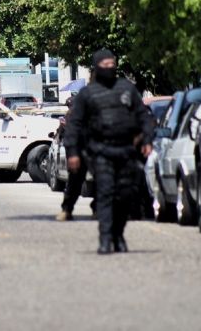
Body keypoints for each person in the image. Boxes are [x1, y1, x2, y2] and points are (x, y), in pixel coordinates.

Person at [63, 49, 155, 254]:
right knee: (105, 194)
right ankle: (105, 239)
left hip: (126, 150)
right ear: (96, 67)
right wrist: (73, 152)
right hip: (101, 151)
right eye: (104, 65)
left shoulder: (126, 89)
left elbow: (143, 117)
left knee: (125, 195)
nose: (109, 68)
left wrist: (147, 139)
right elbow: (74, 125)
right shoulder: (88, 94)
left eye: (111, 63)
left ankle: (118, 234)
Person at [55, 96, 95, 221]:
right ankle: (67, 209)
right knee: (75, 181)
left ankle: (99, 208)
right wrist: (72, 152)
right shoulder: (73, 112)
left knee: (104, 181)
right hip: (80, 148)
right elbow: (69, 132)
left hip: (99, 148)